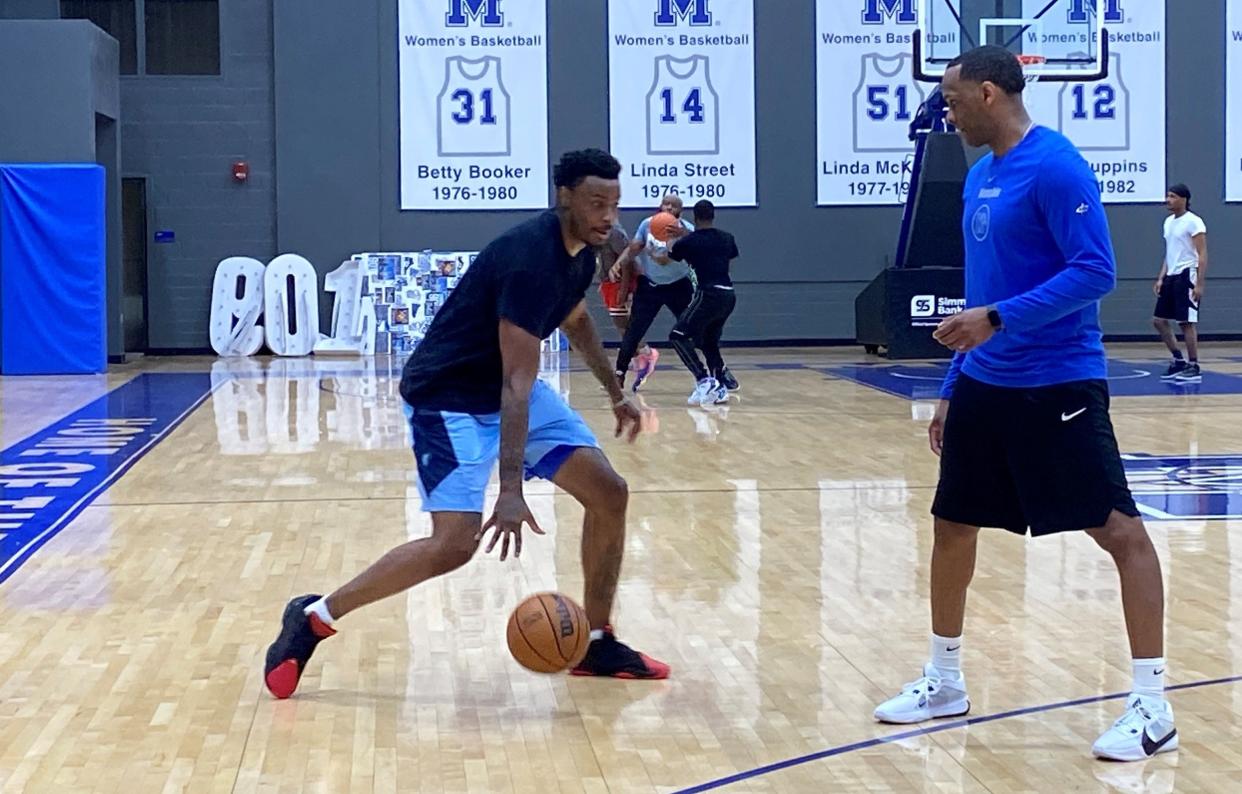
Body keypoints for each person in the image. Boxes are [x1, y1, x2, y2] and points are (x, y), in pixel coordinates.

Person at [263, 149, 670, 699]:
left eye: (614, 204)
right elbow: (516, 385)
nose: (607, 216)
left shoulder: (581, 254)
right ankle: (312, 618)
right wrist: (508, 489)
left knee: (608, 492)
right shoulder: (530, 258)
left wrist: (616, 392)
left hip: (501, 387)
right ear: (565, 198)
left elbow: (574, 321)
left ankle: (595, 640)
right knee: (453, 545)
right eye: (596, 203)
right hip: (449, 397)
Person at [872, 47, 1176, 763]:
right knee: (952, 525)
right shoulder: (981, 176)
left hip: (1058, 383)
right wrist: (952, 386)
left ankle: (1152, 704)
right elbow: (982, 293)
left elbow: (1095, 271)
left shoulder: (1056, 165)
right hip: (986, 383)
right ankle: (944, 679)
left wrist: (1000, 321)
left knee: (1119, 533)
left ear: (986, 92)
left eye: (950, 98)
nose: (945, 112)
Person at [612, 194, 696, 390]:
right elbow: (634, 248)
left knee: (691, 331)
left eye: (673, 206)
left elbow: (667, 259)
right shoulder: (647, 225)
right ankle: (619, 374)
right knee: (633, 332)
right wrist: (619, 262)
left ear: (679, 212)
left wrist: (682, 237)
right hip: (651, 286)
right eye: (665, 204)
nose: (668, 208)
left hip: (678, 286)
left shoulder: (688, 231)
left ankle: (705, 375)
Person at [665, 200, 740, 405]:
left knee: (678, 336)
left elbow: (671, 253)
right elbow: (728, 263)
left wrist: (671, 236)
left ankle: (703, 380)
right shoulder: (727, 238)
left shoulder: (689, 242)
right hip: (728, 294)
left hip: (708, 294)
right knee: (709, 342)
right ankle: (719, 387)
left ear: (694, 217)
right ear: (713, 215)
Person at [1152, 184, 1208, 383]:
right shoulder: (1168, 222)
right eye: (1167, 196)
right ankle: (1178, 360)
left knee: (1186, 322)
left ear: (1184, 199)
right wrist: (1161, 278)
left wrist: (1199, 284)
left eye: (1173, 196)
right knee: (1159, 320)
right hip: (1171, 276)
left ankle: (1194, 365)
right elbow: (1170, 253)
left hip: (1187, 274)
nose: (1168, 199)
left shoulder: (1194, 222)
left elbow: (1202, 254)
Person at [597, 221, 656, 376]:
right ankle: (637, 359)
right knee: (622, 326)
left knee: (624, 325)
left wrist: (623, 290)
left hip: (621, 282)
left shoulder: (614, 232)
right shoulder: (595, 232)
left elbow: (628, 260)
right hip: (609, 283)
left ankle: (646, 352)